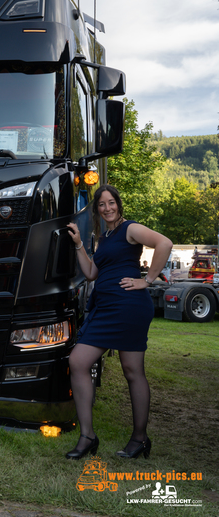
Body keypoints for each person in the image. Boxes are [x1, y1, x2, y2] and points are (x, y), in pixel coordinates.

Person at [66, 184, 172, 461]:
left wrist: (146, 280)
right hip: (105, 308)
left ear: (118, 204)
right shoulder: (106, 237)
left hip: (129, 306)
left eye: (111, 202)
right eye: (101, 205)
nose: (107, 208)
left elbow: (165, 243)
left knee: (132, 370)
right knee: (78, 361)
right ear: (97, 210)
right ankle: (87, 436)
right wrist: (79, 244)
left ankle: (139, 439)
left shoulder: (130, 229)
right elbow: (90, 273)